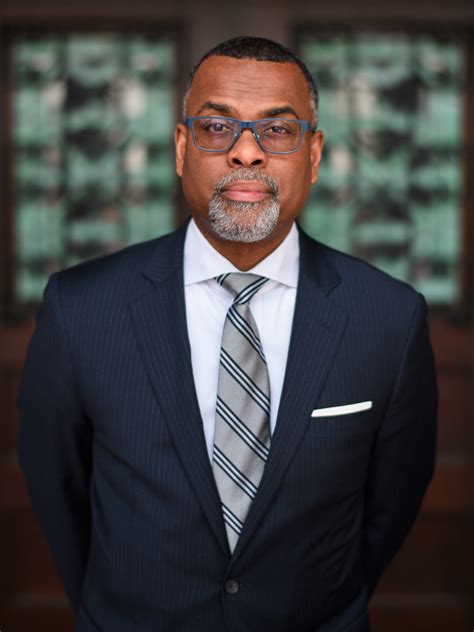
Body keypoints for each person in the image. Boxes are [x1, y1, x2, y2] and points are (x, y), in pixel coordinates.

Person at [18, 36, 438, 632]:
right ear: (182, 148)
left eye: (278, 130)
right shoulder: (81, 308)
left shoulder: (389, 318)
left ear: (314, 155)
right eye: (217, 128)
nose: (246, 153)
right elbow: (57, 485)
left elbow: (392, 501)